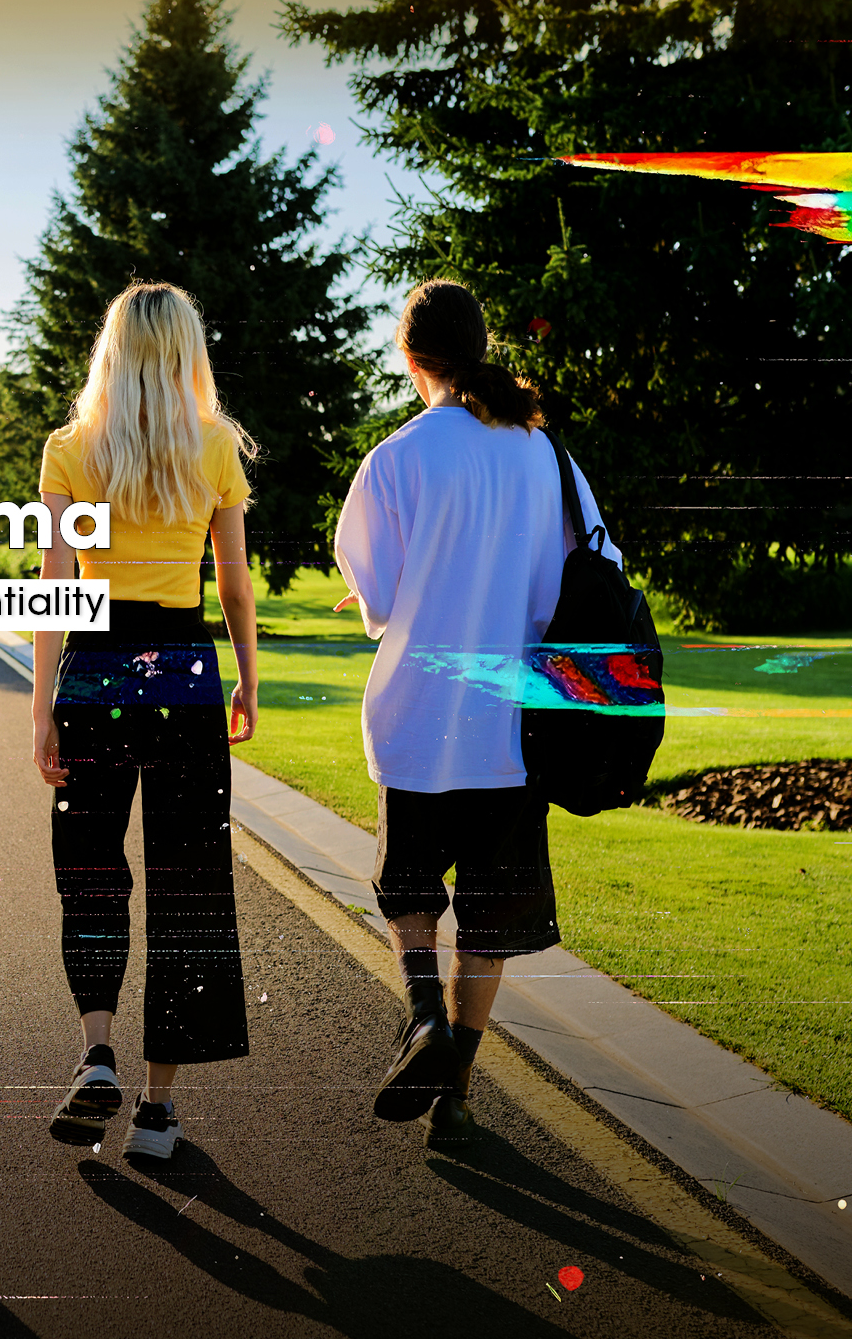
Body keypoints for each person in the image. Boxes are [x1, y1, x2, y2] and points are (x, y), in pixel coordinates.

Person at [334, 278, 621, 1147]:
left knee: (410, 893)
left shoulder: (397, 459)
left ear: (410, 357)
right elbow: (590, 566)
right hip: (516, 732)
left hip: (419, 720)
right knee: (489, 925)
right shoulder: (548, 455)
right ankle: (455, 1088)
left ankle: (421, 1017)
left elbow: (379, 597)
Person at [32, 282, 260, 1162]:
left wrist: (46, 706)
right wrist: (246, 678)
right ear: (186, 352)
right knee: (187, 883)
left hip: (94, 665)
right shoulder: (214, 447)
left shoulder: (70, 449)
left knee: (90, 868)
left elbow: (54, 588)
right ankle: (159, 1112)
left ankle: (96, 1053)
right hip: (186, 672)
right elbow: (233, 583)